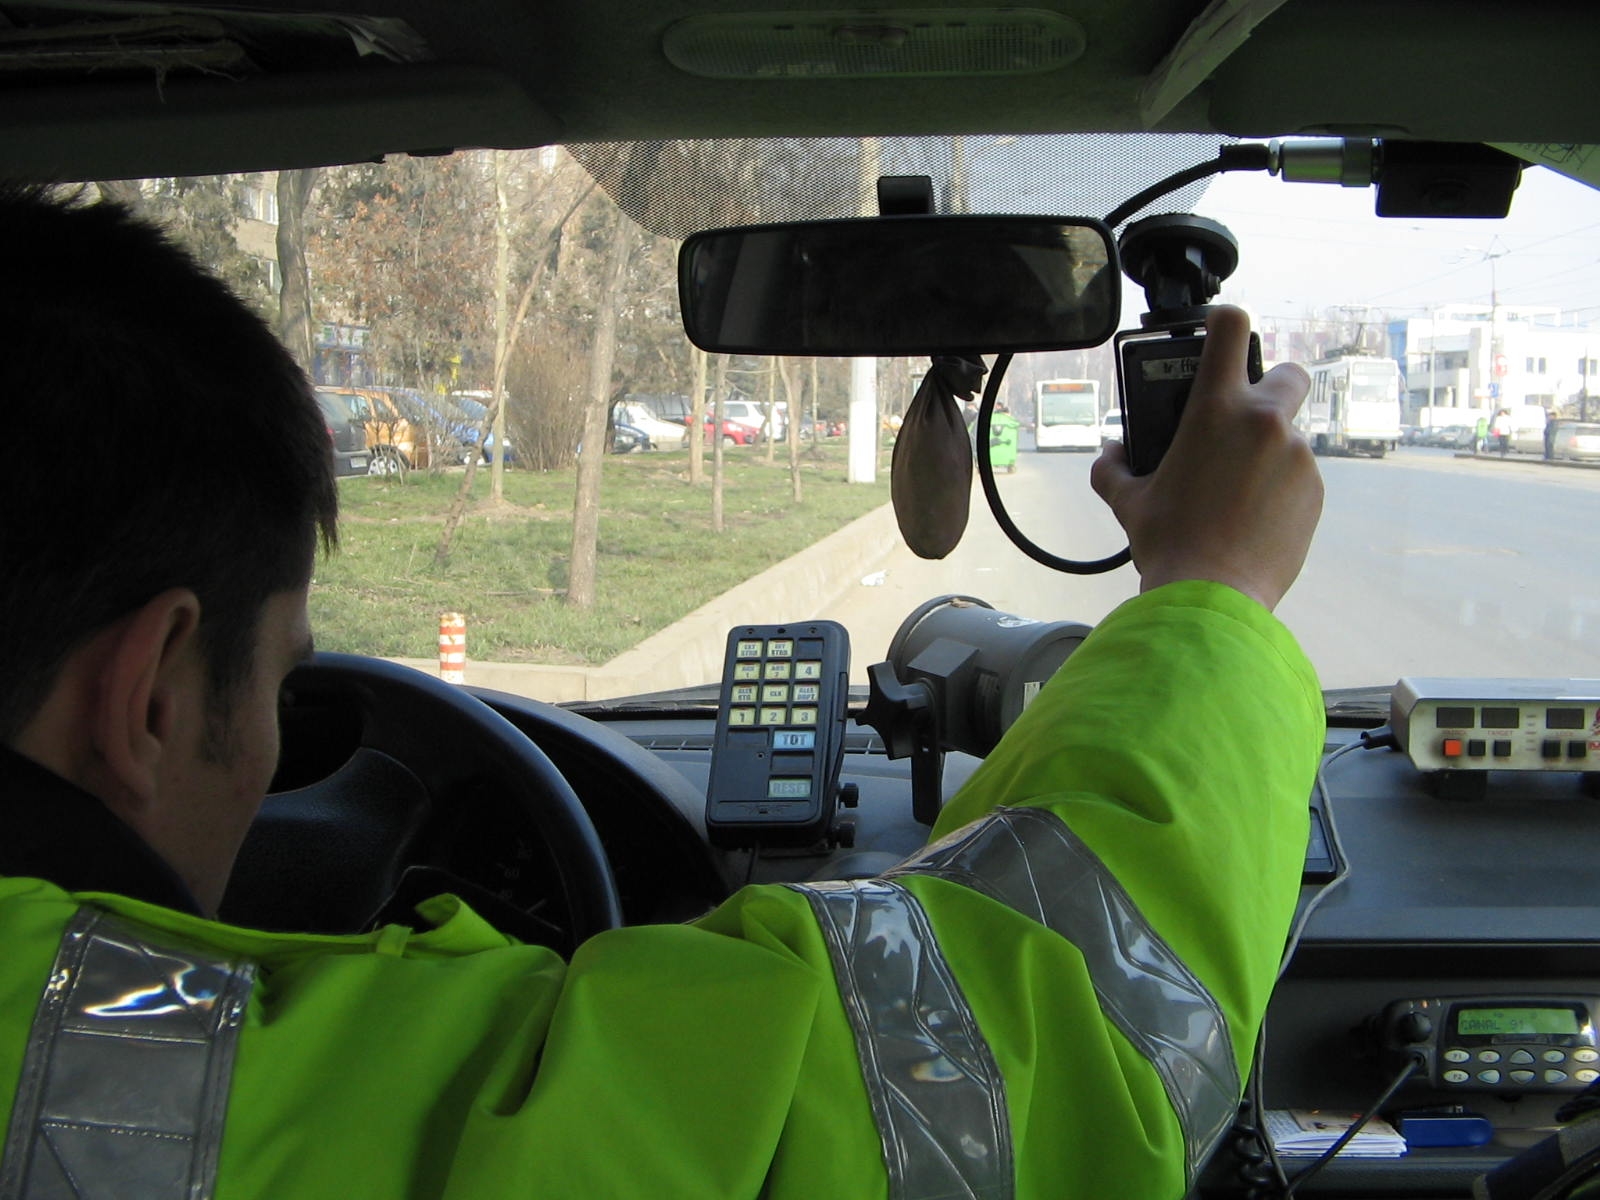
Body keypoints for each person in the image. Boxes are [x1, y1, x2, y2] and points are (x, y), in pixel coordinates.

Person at [0, 186, 1325, 1200]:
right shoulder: (124, 1071)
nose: (273, 755)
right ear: (153, 696)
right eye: (287, 680)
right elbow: (1021, 1060)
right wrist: (1213, 591)